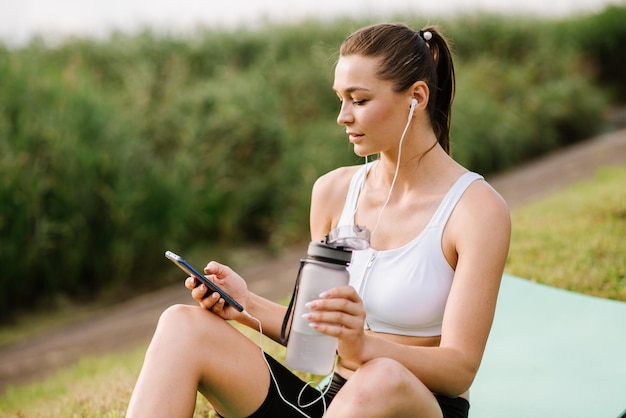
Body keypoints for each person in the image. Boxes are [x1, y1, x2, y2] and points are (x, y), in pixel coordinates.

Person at [126, 22, 511, 418]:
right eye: (340, 99)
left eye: (359, 100)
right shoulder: (332, 192)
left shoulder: (476, 210)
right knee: (181, 326)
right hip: (333, 404)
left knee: (380, 377)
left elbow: (459, 368)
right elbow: (313, 337)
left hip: (415, 404)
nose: (342, 116)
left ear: (416, 97)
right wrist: (244, 304)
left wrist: (364, 348)